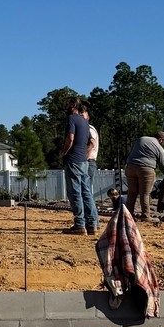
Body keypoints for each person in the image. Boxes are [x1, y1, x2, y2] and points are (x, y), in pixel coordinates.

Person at [123, 131, 164, 222]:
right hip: (146, 169)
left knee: (132, 193)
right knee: (145, 193)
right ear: (160, 139)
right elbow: (163, 165)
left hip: (130, 167)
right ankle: (146, 215)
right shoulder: (159, 148)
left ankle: (127, 215)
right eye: (163, 142)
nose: (163, 144)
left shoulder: (141, 139)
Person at [59, 97, 94, 235]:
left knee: (75, 193)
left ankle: (79, 224)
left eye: (66, 104)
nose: (64, 107)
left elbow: (70, 138)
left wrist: (63, 152)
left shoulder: (71, 119)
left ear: (73, 105)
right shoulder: (85, 122)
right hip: (83, 161)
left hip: (73, 160)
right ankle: (92, 224)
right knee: (86, 192)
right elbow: (92, 141)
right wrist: (85, 155)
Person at [79, 101, 101, 230]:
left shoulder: (88, 128)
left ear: (88, 116)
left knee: (85, 192)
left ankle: (93, 222)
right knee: (85, 192)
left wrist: (84, 157)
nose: (80, 117)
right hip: (88, 162)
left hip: (89, 162)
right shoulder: (85, 128)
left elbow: (91, 143)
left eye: (83, 114)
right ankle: (92, 221)